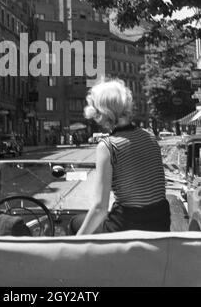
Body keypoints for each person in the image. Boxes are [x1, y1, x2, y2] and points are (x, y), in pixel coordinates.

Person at [69, 79, 170, 235]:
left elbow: (100, 208)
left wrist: (75, 243)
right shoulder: (150, 138)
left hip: (127, 228)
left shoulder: (108, 146)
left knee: (76, 223)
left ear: (103, 112)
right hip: (159, 225)